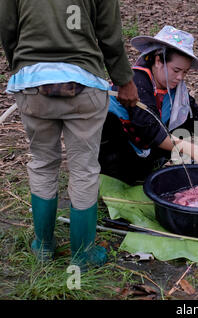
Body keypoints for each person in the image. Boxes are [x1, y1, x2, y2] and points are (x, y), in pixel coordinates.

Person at [0, 0, 139, 272]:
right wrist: (125, 80)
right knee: (84, 169)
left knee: (42, 162)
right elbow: (109, 35)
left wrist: (20, 65)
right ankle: (83, 255)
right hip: (84, 84)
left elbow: (6, 28)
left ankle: (43, 247)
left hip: (32, 84)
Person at [99, 25, 198, 185]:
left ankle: (148, 167)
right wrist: (189, 148)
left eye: (185, 72)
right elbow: (149, 129)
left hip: (144, 148)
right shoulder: (137, 81)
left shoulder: (176, 92)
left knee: (182, 119)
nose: (180, 77)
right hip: (115, 147)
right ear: (158, 61)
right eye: (176, 70)